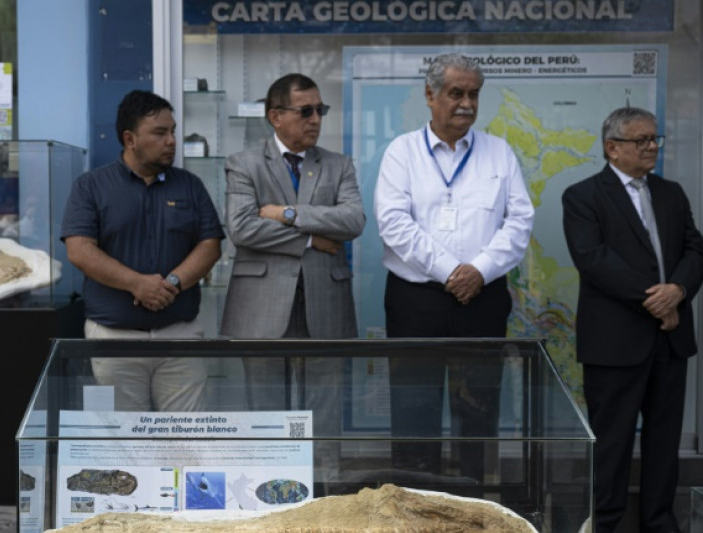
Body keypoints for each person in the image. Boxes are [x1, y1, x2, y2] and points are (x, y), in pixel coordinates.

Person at [374, 53, 534, 480]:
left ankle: (475, 507)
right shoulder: (401, 152)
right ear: (430, 95)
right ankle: (414, 509)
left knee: (478, 412)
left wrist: (478, 270)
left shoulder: (499, 153)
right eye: (456, 93)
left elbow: (519, 223)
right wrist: (450, 271)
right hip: (416, 301)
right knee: (413, 412)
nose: (466, 103)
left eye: (474, 94)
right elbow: (393, 224)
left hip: (482, 299)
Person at [562, 107, 703, 533]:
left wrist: (677, 291)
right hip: (615, 341)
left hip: (670, 338)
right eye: (641, 140)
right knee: (612, 442)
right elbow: (593, 259)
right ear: (612, 147)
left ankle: (660, 522)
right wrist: (656, 300)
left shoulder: (671, 193)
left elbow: (695, 249)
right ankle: (605, 523)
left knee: (664, 441)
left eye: (655, 139)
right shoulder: (583, 196)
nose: (652, 147)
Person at [220, 73, 364, 448]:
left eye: (320, 110)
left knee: (326, 415)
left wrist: (288, 214)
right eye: (305, 111)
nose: (316, 119)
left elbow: (353, 221)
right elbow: (242, 229)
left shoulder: (339, 165)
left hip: (326, 305)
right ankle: (270, 493)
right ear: (275, 116)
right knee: (266, 416)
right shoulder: (244, 163)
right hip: (262, 309)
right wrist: (314, 237)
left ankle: (325, 491)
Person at [61, 90, 223, 412]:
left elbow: (210, 245)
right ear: (130, 139)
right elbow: (80, 250)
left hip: (179, 335)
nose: (171, 141)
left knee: (186, 439)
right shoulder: (90, 186)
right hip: (113, 337)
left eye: (173, 131)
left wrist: (173, 284)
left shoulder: (189, 185)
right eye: (160, 133)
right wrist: (137, 284)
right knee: (125, 444)